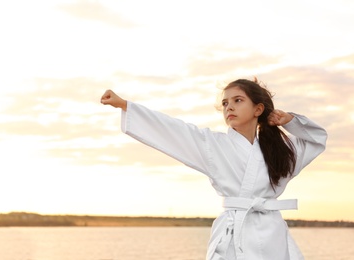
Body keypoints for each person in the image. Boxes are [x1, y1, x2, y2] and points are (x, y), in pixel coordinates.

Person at [100, 78, 327, 260]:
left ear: (258, 109)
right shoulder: (212, 145)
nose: (229, 107)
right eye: (226, 103)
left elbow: (317, 139)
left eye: (238, 100)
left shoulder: (281, 151)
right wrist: (126, 106)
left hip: (272, 235)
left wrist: (291, 121)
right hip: (232, 233)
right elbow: (174, 130)